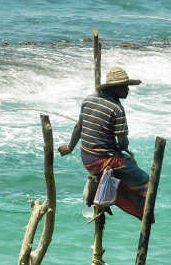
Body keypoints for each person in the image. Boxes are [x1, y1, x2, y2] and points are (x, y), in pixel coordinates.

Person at [58, 67, 151, 221]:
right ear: (115, 88)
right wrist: (124, 143)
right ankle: (142, 214)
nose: (128, 89)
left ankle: (100, 193)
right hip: (102, 160)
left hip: (86, 157)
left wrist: (69, 148)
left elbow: (78, 127)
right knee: (144, 181)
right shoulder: (117, 109)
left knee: (128, 163)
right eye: (125, 86)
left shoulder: (88, 100)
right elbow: (122, 144)